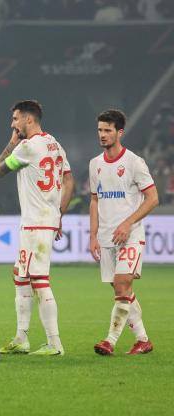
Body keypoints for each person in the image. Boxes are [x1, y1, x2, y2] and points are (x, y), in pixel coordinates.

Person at [0, 100, 74, 356]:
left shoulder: (27, 147)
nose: (13, 124)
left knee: (39, 279)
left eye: (16, 119)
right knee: (20, 273)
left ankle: (55, 343)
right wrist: (59, 212)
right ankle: (21, 337)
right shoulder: (55, 144)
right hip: (42, 219)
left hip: (36, 222)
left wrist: (11, 141)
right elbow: (69, 179)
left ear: (29, 120)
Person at [89, 110, 159, 356]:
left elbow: (153, 199)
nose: (102, 135)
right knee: (122, 292)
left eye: (107, 130)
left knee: (121, 286)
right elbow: (95, 201)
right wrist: (93, 235)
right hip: (107, 238)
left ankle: (110, 340)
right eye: (100, 130)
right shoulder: (95, 164)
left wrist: (128, 223)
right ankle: (143, 340)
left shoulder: (134, 162)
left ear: (119, 132)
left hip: (130, 236)